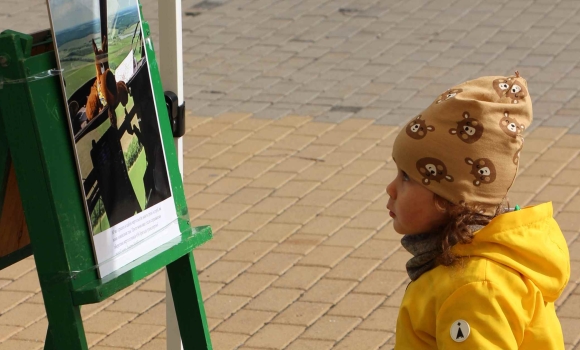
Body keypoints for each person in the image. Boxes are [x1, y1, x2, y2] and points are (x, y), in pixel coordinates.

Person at [386, 72, 570, 349]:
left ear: (451, 200)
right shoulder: (465, 268)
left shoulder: (472, 289)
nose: (391, 188)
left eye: (408, 177)